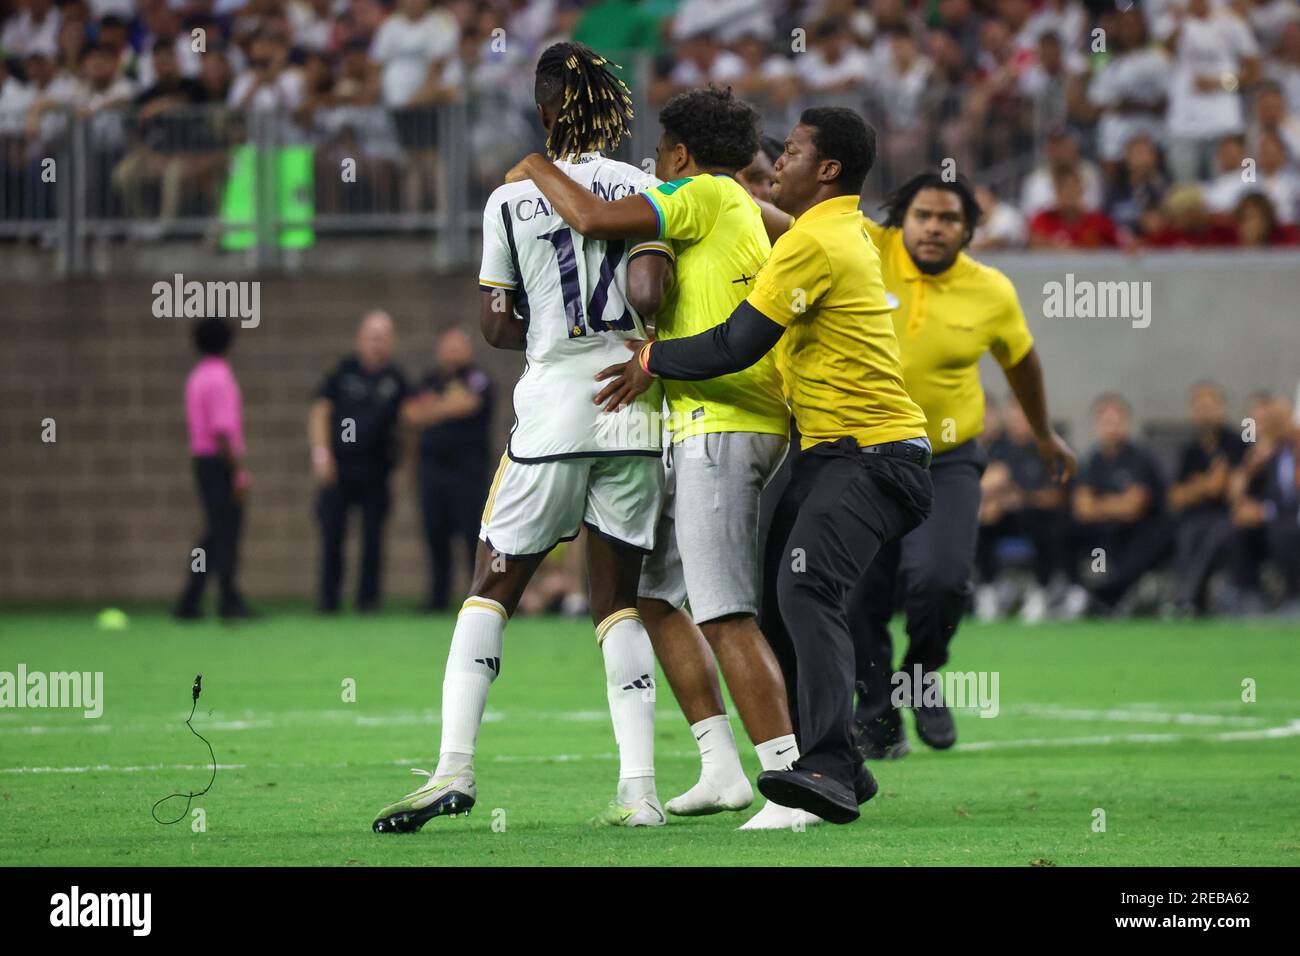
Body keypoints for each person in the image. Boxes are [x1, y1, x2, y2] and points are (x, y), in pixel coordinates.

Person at [594, 107, 934, 825]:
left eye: (795, 151)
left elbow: (736, 344)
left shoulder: (815, 243)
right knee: (781, 596)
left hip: (872, 452)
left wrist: (653, 356)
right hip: (831, 450)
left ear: (829, 169)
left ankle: (823, 772)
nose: (777, 161)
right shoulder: (834, 230)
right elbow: (756, 209)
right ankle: (828, 762)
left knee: (800, 591)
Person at [372, 42, 674, 834]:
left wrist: (547, 326)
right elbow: (656, 291)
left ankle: (453, 770)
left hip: (554, 414)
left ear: (543, 112)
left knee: (491, 587)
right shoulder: (648, 187)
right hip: (637, 411)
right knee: (618, 604)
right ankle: (641, 790)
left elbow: (497, 324)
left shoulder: (510, 200)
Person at [506, 88, 809, 829]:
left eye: (658, 155)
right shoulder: (735, 200)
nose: (652, 168)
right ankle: (720, 769)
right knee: (652, 597)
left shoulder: (702, 192)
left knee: (728, 614)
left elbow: (593, 216)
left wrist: (534, 167)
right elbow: (792, 226)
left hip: (723, 421)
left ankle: (791, 785)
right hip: (706, 421)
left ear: (676, 154)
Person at [848, 172, 1076, 759]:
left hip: (947, 458)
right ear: (904, 217)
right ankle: (876, 716)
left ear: (969, 230)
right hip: (863, 452)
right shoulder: (868, 248)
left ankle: (922, 679)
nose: (933, 227)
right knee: (858, 595)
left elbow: (1022, 363)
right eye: (923, 214)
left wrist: (1045, 434)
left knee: (941, 578)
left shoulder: (991, 290)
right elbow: (795, 222)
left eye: (949, 219)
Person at [309, 310, 410, 614]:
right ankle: (329, 600)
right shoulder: (342, 373)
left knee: (373, 538)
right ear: (360, 340)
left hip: (376, 469)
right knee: (333, 535)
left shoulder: (396, 379)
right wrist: (321, 453)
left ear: (391, 342)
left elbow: (411, 417)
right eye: (371, 337)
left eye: (382, 338)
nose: (376, 344)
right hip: (339, 468)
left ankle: (368, 601)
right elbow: (320, 412)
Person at [403, 327, 494, 612]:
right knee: (435, 534)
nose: (453, 352)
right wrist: (445, 406)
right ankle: (437, 597)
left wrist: (432, 409)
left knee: (471, 536)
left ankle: (476, 595)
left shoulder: (478, 379)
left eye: (459, 347)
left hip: (468, 472)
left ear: (468, 350)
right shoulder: (429, 379)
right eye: (448, 346)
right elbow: (409, 414)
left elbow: (469, 405)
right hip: (433, 472)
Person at [174, 317, 256, 621]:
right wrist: (236, 472)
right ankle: (227, 600)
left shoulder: (196, 377)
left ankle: (191, 598)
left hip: (202, 461)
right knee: (226, 534)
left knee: (214, 533)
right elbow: (222, 431)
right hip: (218, 461)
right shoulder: (221, 378)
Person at [1072, 394, 1174, 615]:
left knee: (1145, 535)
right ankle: (1079, 591)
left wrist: (1100, 503)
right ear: (1096, 425)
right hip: (1108, 530)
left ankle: (1110, 596)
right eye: (1105, 421)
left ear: (1125, 423)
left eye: (1115, 420)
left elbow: (1133, 508)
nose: (1110, 427)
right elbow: (1083, 509)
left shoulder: (1141, 458)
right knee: (1069, 528)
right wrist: (1114, 504)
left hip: (1145, 529)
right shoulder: (1092, 461)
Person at [1167, 381, 1245, 616]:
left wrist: (1197, 486)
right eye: (1199, 406)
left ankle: (1184, 598)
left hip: (1226, 516)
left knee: (1212, 537)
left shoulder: (1238, 444)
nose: (1205, 412)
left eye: (1210, 406)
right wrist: (1205, 484)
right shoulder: (1190, 450)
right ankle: (1192, 602)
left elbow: (1231, 490)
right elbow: (1176, 497)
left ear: (1222, 408)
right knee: (1186, 535)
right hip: (1194, 516)